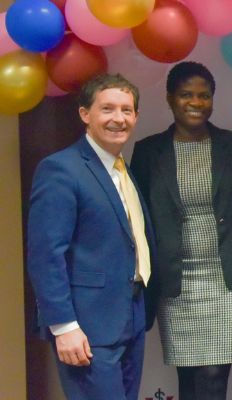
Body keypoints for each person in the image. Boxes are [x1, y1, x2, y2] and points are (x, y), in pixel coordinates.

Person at [130, 61, 232, 400]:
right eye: (186, 95)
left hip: (229, 279)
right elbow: (136, 216)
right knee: (187, 378)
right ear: (171, 98)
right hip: (177, 281)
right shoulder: (148, 152)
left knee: (216, 375)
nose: (196, 102)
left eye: (204, 95)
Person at [26, 74, 153, 400]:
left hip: (131, 318)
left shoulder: (123, 170)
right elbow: (46, 255)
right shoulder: (61, 169)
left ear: (136, 117)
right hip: (86, 326)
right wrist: (63, 326)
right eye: (107, 109)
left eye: (127, 110)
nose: (118, 119)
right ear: (85, 114)